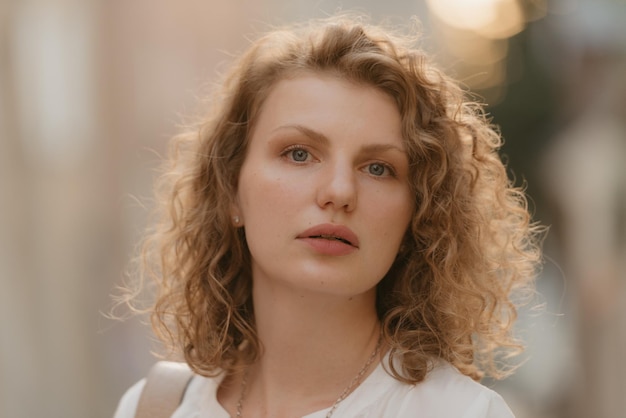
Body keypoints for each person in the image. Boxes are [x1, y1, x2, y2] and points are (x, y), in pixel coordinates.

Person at [113, 14, 543, 418]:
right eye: (299, 154)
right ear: (231, 192)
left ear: (419, 214)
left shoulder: (460, 413)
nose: (339, 191)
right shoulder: (154, 407)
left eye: (378, 168)